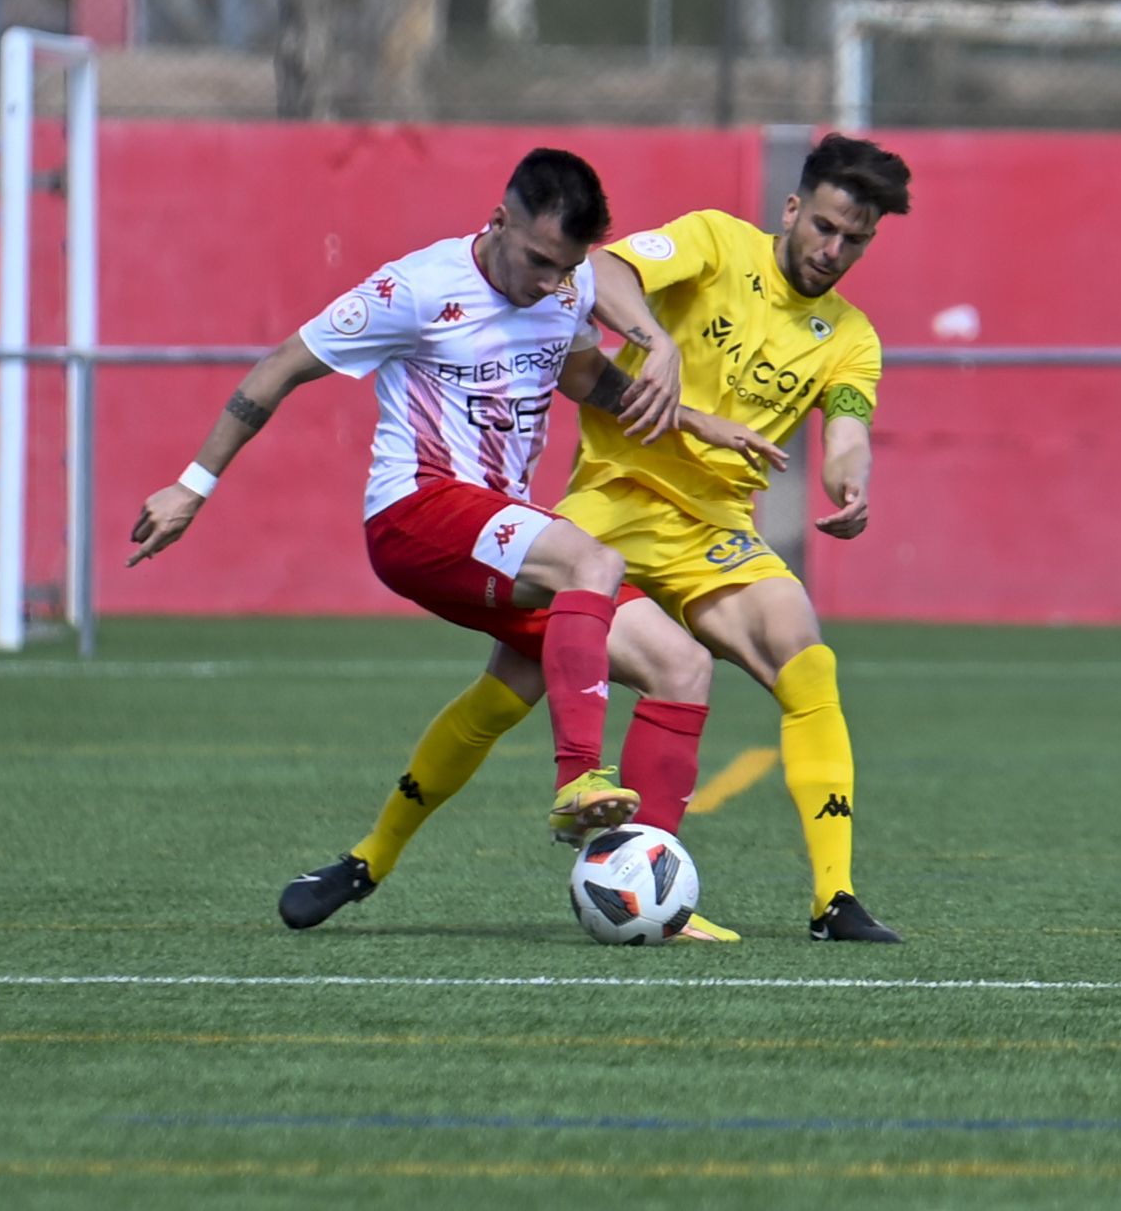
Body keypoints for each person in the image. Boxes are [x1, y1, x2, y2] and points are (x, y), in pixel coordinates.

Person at [128, 147, 774, 940]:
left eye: (562, 266)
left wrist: (692, 419)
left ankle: (619, 887)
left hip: (500, 530)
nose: (547, 281)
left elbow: (586, 381)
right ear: (497, 219)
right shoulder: (417, 288)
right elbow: (280, 367)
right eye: (537, 259)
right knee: (592, 561)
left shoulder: (565, 288)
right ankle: (578, 780)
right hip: (414, 513)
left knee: (678, 666)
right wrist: (193, 484)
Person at [295, 132, 911, 943]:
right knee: (509, 687)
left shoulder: (850, 336)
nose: (833, 250)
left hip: (713, 532)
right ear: (792, 209)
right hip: (609, 505)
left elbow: (848, 426)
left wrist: (849, 475)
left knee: (805, 654)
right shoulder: (714, 240)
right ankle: (367, 858)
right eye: (825, 226)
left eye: (854, 239)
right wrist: (654, 339)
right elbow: (608, 270)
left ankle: (828, 899)